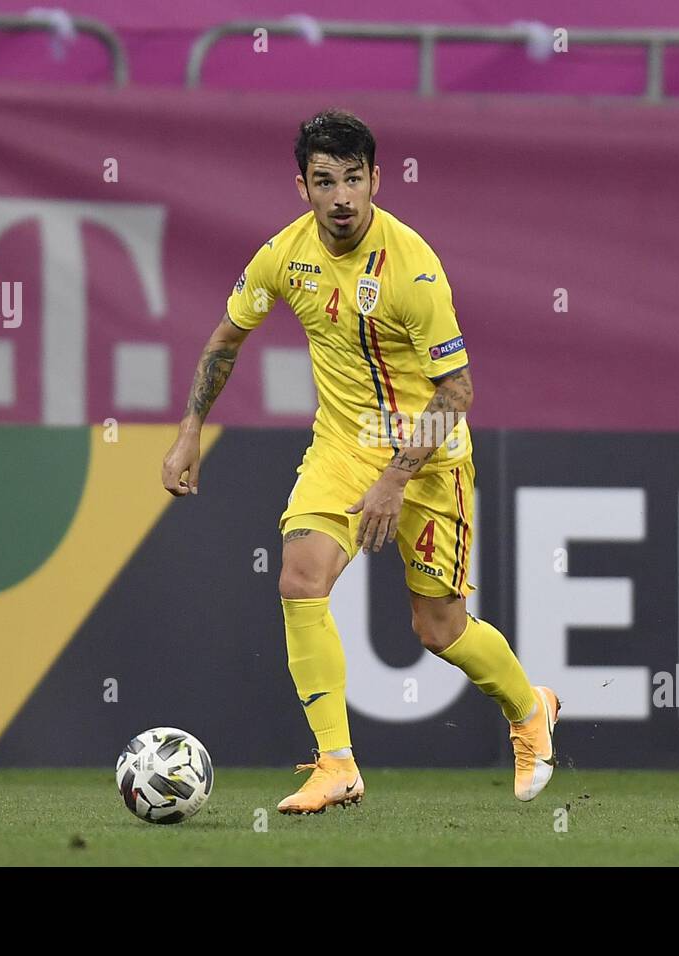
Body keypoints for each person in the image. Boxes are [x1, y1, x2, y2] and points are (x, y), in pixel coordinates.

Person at [162, 109, 559, 814]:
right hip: (344, 445)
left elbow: (458, 389)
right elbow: (225, 338)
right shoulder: (284, 256)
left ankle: (530, 709)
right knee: (300, 576)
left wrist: (398, 477)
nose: (341, 195)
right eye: (324, 180)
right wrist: (191, 428)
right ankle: (335, 763)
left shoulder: (413, 267)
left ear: (376, 179)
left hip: (428, 457)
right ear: (302, 186)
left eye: (353, 178)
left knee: (437, 628)